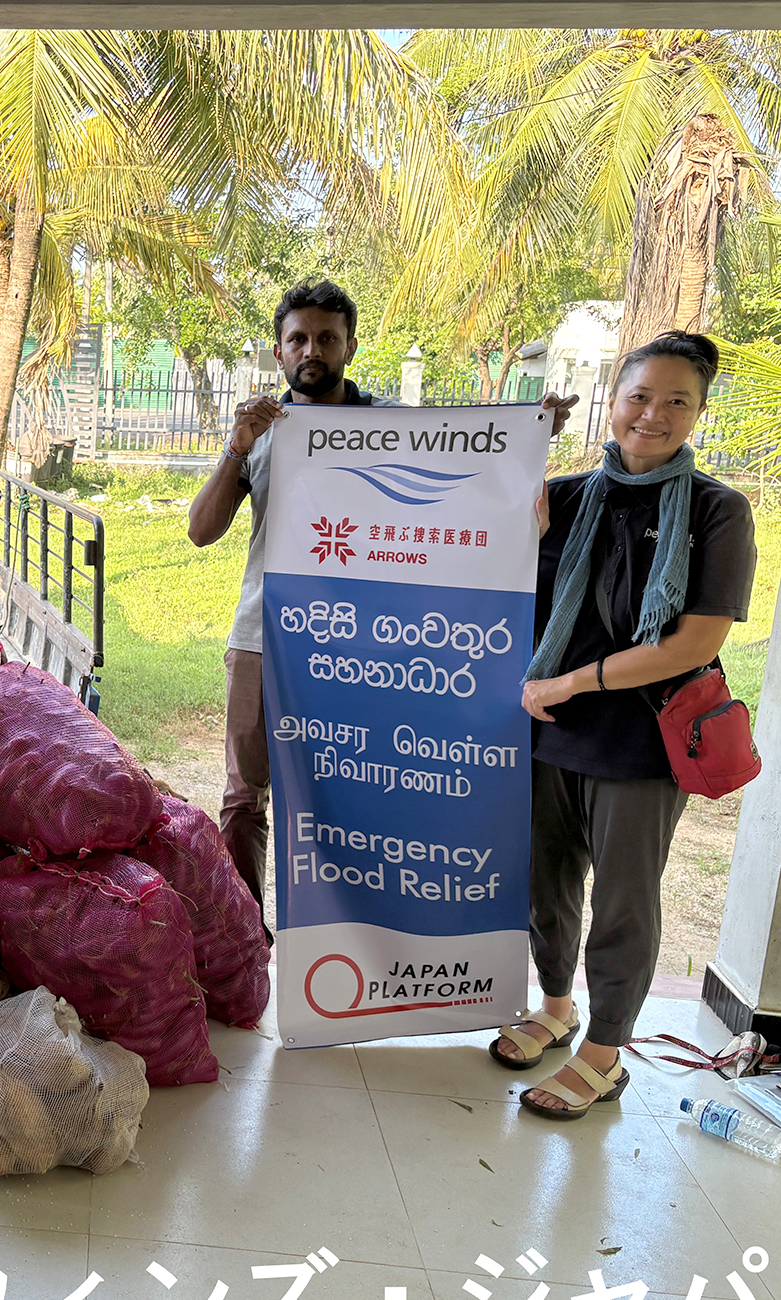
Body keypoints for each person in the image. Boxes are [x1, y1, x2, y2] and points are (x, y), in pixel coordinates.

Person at [188, 278, 579, 903]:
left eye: (326, 338)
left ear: (349, 346)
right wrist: (235, 450)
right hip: (266, 637)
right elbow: (201, 531)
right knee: (244, 794)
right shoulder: (260, 430)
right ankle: (243, 932)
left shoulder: (389, 427)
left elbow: (471, 479)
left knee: (359, 788)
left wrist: (529, 434)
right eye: (298, 339)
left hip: (367, 644)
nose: (311, 349)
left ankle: (352, 928)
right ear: (279, 349)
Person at [492, 331, 754, 1122]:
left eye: (678, 400)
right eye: (640, 396)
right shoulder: (565, 499)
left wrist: (572, 680)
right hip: (549, 733)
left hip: (640, 742)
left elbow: (696, 641)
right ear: (614, 400)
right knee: (547, 884)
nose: (654, 414)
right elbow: (496, 582)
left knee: (625, 902)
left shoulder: (718, 511)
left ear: (700, 412)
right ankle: (557, 1005)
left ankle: (604, 1053)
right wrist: (512, 489)